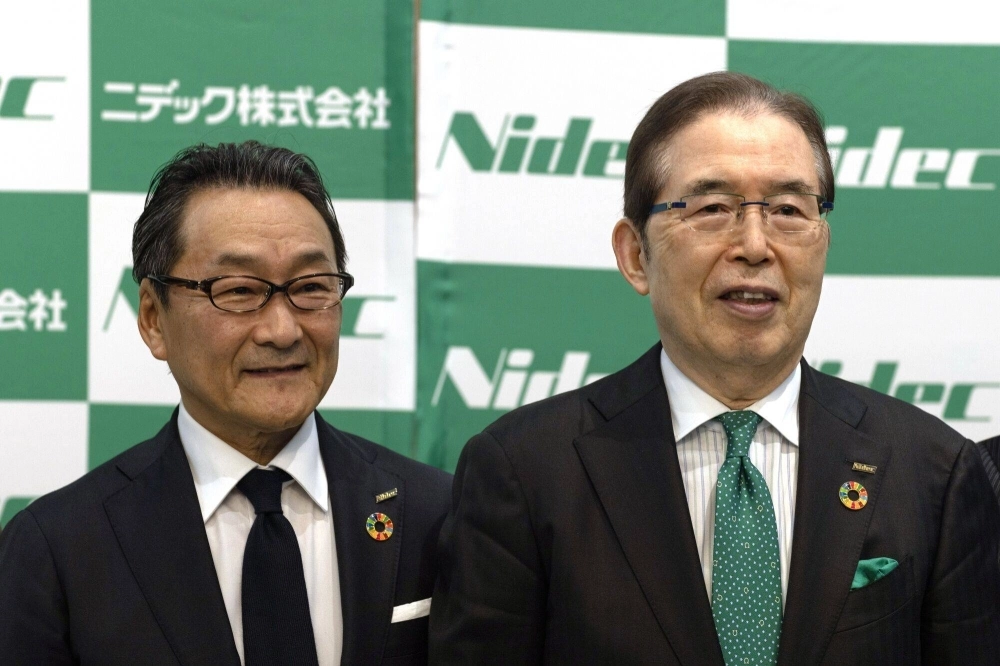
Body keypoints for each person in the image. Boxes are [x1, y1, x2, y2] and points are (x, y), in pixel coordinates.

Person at [429, 72, 1000, 664]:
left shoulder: (934, 471)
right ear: (634, 255)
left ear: (823, 239)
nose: (754, 244)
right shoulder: (525, 471)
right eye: (712, 208)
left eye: (787, 209)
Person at [0, 141, 450, 665]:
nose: (282, 330)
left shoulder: (436, 514)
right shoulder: (59, 548)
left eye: (310, 286)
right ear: (152, 317)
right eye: (237, 290)